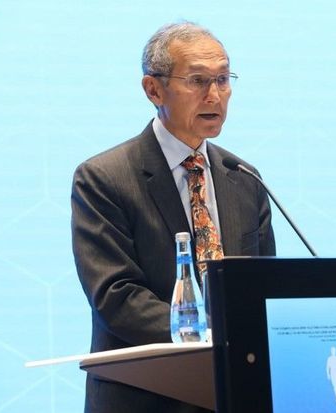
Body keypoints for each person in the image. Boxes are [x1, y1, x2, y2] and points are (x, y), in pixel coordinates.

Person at [71, 22, 276, 413]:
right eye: (198, 80)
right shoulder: (104, 178)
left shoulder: (244, 178)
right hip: (145, 397)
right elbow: (116, 296)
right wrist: (214, 332)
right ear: (153, 90)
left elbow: (263, 286)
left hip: (234, 394)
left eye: (222, 79)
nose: (214, 95)